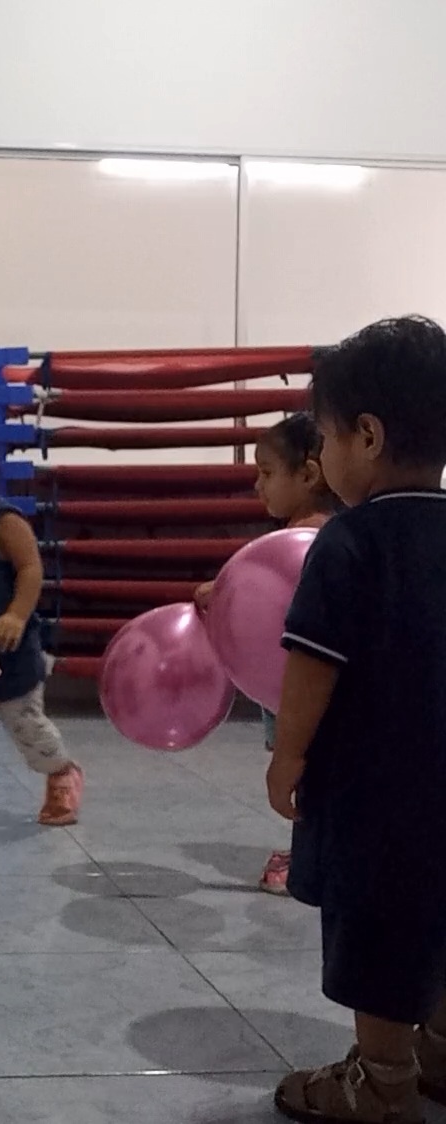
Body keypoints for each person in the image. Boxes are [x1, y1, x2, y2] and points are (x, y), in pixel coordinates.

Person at [264, 317, 446, 1124]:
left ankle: (383, 1082)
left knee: (379, 933)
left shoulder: (348, 543)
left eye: (327, 437)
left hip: (376, 793)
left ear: (366, 437)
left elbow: (313, 665)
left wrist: (288, 755)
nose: (324, 458)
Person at [195, 411, 335, 895]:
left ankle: (313, 852)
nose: (258, 485)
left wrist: (223, 594)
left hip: (302, 686)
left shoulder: (315, 538)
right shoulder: (299, 536)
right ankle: (312, 847)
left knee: (311, 768)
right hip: (284, 683)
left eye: (267, 472)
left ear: (308, 475)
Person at [0, 427, 84, 826]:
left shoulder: (1, 520)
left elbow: (30, 568)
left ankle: (61, 772)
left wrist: (16, 615)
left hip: (9, 652)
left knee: (25, 725)